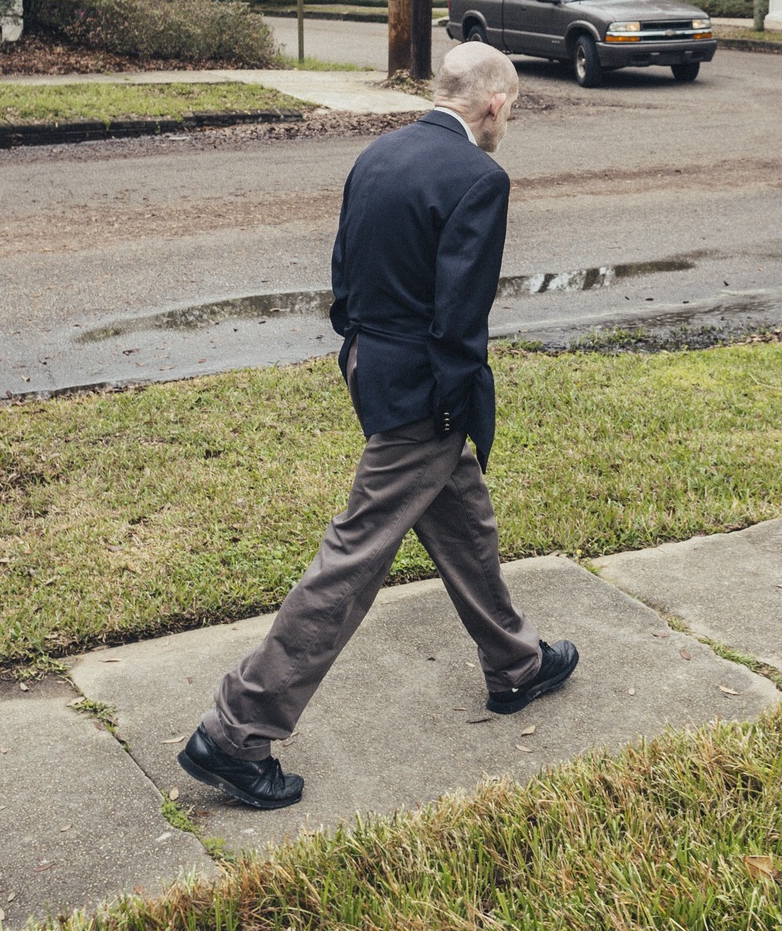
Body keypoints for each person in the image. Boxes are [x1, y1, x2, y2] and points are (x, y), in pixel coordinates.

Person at [175, 41, 576, 810]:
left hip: (370, 361)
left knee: (464, 520)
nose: (508, 123)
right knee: (354, 556)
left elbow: (344, 274)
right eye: (512, 109)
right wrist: (455, 403)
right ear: (493, 103)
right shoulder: (479, 178)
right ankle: (236, 728)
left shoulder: (377, 155)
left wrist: (364, 349)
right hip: (422, 384)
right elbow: (462, 314)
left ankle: (516, 662)